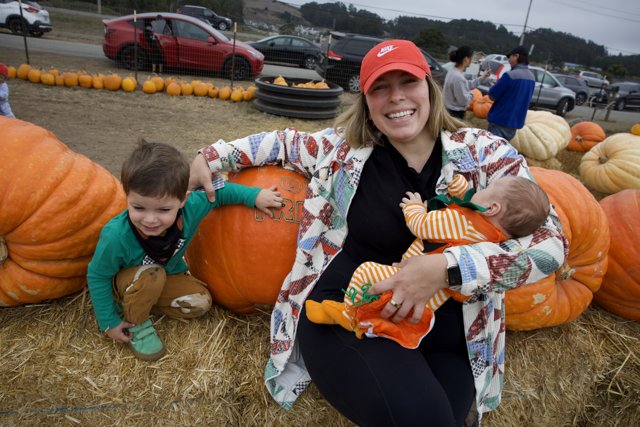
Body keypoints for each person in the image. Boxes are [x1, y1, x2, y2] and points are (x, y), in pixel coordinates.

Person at [188, 39, 567, 425]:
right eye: (381, 87)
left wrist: (445, 269)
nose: (396, 97)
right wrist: (210, 156)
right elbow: (282, 142)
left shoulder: (484, 153)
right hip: (352, 313)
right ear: (366, 99)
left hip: (447, 334)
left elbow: (552, 244)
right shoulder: (343, 150)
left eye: (408, 82)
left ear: (429, 87)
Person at [87, 139, 283, 361]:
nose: (150, 219)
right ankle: (137, 323)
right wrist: (109, 322)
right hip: (129, 279)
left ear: (183, 200)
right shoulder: (116, 236)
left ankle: (143, 301)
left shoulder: (193, 207)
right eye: (138, 207)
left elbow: (221, 193)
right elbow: (98, 275)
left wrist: (254, 196)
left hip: (163, 276)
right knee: (152, 274)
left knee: (200, 302)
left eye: (163, 210)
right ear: (128, 197)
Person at [305, 174, 550, 349]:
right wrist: (461, 189)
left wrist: (413, 207)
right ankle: (377, 320)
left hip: (406, 281)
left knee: (366, 272)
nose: (481, 188)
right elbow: (470, 201)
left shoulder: (461, 223)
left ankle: (349, 314)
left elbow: (422, 226)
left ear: (492, 208)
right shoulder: (491, 241)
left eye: (488, 188)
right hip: (432, 301)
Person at [486, 46, 535, 141]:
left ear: (516, 56)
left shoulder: (509, 75)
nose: (508, 60)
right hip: (514, 125)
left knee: (491, 152)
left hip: (500, 121)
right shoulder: (532, 77)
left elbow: (492, 95)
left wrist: (496, 85)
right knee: (502, 151)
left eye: (510, 57)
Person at [443, 46, 489, 119]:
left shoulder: (453, 71)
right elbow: (463, 101)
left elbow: (467, 84)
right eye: (472, 58)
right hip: (455, 114)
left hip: (449, 111)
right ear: (466, 59)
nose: (472, 60)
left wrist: (482, 77)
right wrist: (471, 94)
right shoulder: (458, 77)